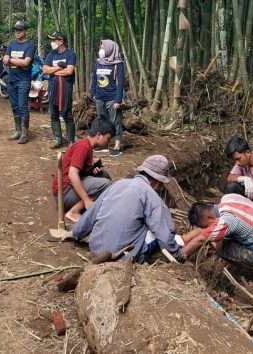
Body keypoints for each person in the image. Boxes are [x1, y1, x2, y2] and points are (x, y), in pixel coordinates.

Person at [50, 155, 185, 263]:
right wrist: (179, 256)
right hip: (122, 257)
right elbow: (165, 236)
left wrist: (74, 233)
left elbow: (91, 214)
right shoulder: (153, 199)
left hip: (96, 249)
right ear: (157, 182)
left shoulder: (116, 185)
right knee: (162, 229)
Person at [184, 194, 253, 289]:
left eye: (205, 226)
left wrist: (181, 254)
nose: (206, 228)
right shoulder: (229, 198)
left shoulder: (226, 220)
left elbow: (201, 239)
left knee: (220, 247)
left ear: (210, 218)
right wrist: (186, 239)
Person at [52, 117, 115, 223]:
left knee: (103, 175)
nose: (109, 142)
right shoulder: (83, 147)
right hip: (63, 194)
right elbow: (72, 174)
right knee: (106, 184)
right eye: (108, 138)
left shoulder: (88, 146)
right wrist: (86, 200)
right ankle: (75, 211)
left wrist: (91, 171)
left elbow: (81, 172)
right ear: (98, 135)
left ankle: (96, 205)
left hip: (67, 191)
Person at [91, 39, 125, 157]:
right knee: (102, 121)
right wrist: (93, 93)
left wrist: (118, 100)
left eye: (103, 47)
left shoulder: (118, 63)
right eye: (100, 47)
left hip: (112, 98)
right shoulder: (99, 62)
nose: (101, 50)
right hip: (100, 97)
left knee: (116, 121)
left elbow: (120, 83)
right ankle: (103, 145)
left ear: (110, 48)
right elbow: (94, 78)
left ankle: (117, 146)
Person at [43, 31, 77, 149]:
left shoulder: (70, 54)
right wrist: (59, 67)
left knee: (67, 114)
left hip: (66, 88)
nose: (52, 42)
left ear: (61, 41)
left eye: (54, 40)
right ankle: (58, 139)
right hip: (52, 87)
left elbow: (69, 71)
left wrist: (54, 72)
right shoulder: (51, 54)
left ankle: (71, 141)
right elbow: (45, 70)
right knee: (54, 113)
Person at [4, 20, 36, 144]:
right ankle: (17, 130)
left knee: (23, 106)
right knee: (14, 106)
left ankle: (24, 133)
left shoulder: (30, 46)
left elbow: (26, 63)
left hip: (23, 80)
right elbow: (5, 60)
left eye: (20, 30)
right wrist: (18, 61)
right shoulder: (12, 44)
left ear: (25, 31)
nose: (17, 32)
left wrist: (11, 60)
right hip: (11, 80)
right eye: (16, 30)